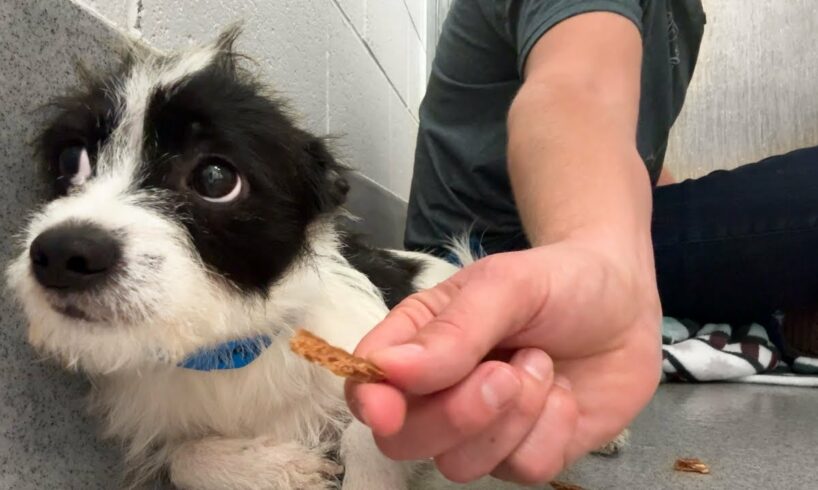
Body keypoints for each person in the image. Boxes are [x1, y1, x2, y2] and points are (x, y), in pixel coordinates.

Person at [346, 0, 818, 485]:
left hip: (567, 236)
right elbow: (577, 91)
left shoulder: (685, 16)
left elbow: (637, 166)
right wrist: (598, 254)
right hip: (493, 256)